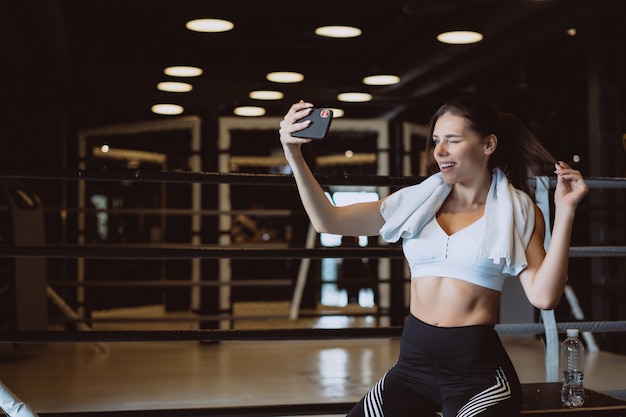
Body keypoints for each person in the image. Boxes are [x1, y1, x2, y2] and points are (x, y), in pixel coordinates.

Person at [279, 96, 588, 417]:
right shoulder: (416, 202)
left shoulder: (518, 210)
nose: (439, 151)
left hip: (478, 375)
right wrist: (294, 154)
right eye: (437, 141)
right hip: (412, 368)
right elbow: (328, 221)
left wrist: (565, 212)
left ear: (488, 144)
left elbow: (544, 296)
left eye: (453, 141)